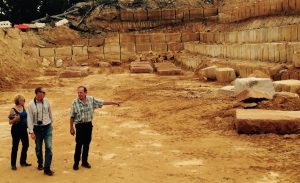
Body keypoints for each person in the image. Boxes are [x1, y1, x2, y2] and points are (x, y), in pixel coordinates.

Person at [70, 86, 120, 170]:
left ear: (85, 93)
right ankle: (76, 163)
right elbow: (72, 116)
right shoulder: (74, 102)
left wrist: (114, 102)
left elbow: (102, 102)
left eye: (81, 92)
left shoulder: (91, 100)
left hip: (88, 125)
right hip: (79, 126)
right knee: (79, 144)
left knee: (86, 144)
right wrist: (71, 128)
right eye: (78, 92)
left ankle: (84, 162)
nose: (79, 94)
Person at [27, 87, 54, 176]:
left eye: (44, 93)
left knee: (48, 147)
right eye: (42, 92)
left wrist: (51, 124)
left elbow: (50, 113)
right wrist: (31, 132)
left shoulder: (47, 101)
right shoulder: (31, 104)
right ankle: (40, 163)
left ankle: (47, 168)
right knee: (38, 148)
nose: (44, 94)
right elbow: (30, 119)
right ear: (37, 93)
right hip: (37, 129)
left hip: (47, 127)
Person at [8, 95, 31, 170]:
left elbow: (26, 118)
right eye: (22, 100)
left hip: (24, 129)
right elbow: (10, 122)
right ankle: (13, 164)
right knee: (15, 146)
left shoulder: (23, 108)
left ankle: (23, 161)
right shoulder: (13, 109)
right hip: (16, 130)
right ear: (18, 101)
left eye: (24, 100)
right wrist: (15, 119)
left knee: (26, 145)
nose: (24, 101)